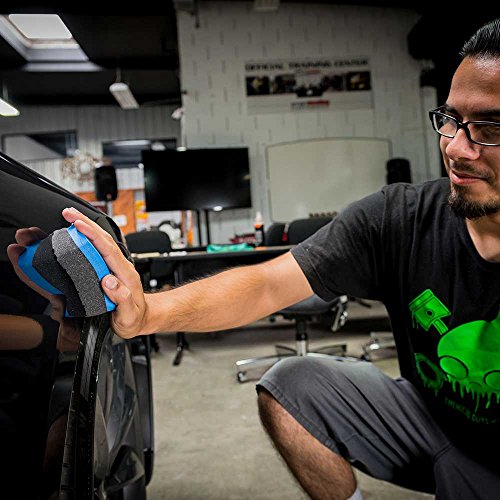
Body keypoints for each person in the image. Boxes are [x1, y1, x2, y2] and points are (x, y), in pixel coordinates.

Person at [8, 18, 500, 500]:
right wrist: (147, 312)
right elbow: (267, 284)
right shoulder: (400, 218)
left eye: (488, 127)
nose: (456, 147)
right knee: (292, 385)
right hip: (433, 420)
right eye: (450, 119)